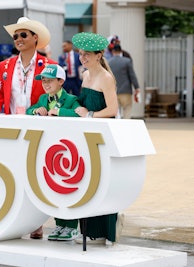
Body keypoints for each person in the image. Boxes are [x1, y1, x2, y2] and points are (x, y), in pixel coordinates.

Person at [0, 16, 56, 239]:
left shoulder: (50, 66)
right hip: (12, 127)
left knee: (36, 174)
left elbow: (56, 95)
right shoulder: (4, 66)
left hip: (39, 129)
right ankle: (14, 218)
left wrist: (49, 108)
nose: (18, 39)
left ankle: (35, 222)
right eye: (15, 36)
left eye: (23, 35)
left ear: (35, 38)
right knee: (13, 173)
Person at [71, 32, 124, 246]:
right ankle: (88, 230)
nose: (82, 58)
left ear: (99, 55)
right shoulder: (85, 75)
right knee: (86, 181)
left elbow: (112, 109)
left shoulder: (106, 78)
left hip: (102, 136)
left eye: (87, 55)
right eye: (81, 54)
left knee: (102, 183)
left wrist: (90, 115)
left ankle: (105, 230)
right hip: (86, 136)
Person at [26, 64, 81, 241]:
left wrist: (60, 112)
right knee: (53, 188)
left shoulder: (71, 99)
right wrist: (36, 111)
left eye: (49, 81)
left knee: (67, 187)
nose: (46, 84)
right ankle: (59, 225)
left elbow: (79, 115)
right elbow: (28, 110)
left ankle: (71, 226)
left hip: (68, 151)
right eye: (43, 81)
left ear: (61, 81)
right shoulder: (43, 98)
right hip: (49, 151)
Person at [108, 44, 140, 119]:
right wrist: (137, 87)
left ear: (113, 51)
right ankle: (126, 126)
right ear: (121, 51)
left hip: (114, 91)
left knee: (116, 112)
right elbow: (132, 75)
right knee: (127, 109)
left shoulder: (109, 62)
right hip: (126, 91)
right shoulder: (127, 61)